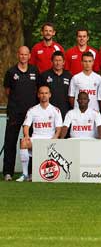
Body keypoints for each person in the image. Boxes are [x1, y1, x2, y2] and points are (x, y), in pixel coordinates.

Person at [2, 46, 39, 181]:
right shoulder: (11, 72)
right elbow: (7, 91)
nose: (23, 57)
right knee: (10, 142)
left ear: (29, 56)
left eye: (26, 54)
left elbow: (38, 90)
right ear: (18, 55)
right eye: (21, 54)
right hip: (15, 112)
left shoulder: (34, 71)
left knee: (30, 142)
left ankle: (30, 173)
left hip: (31, 114)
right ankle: (8, 173)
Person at [18, 85, 62, 181]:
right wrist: (26, 136)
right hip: (36, 139)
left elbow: (59, 128)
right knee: (24, 142)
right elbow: (26, 126)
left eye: (46, 93)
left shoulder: (56, 110)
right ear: (38, 95)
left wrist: (55, 137)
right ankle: (25, 174)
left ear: (50, 95)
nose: (44, 95)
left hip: (50, 139)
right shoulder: (32, 110)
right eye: (41, 93)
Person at [38, 51, 72, 119]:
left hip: (65, 110)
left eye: (60, 60)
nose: (58, 63)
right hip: (48, 111)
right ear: (52, 61)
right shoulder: (44, 75)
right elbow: (39, 94)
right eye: (55, 60)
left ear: (63, 62)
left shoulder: (69, 76)